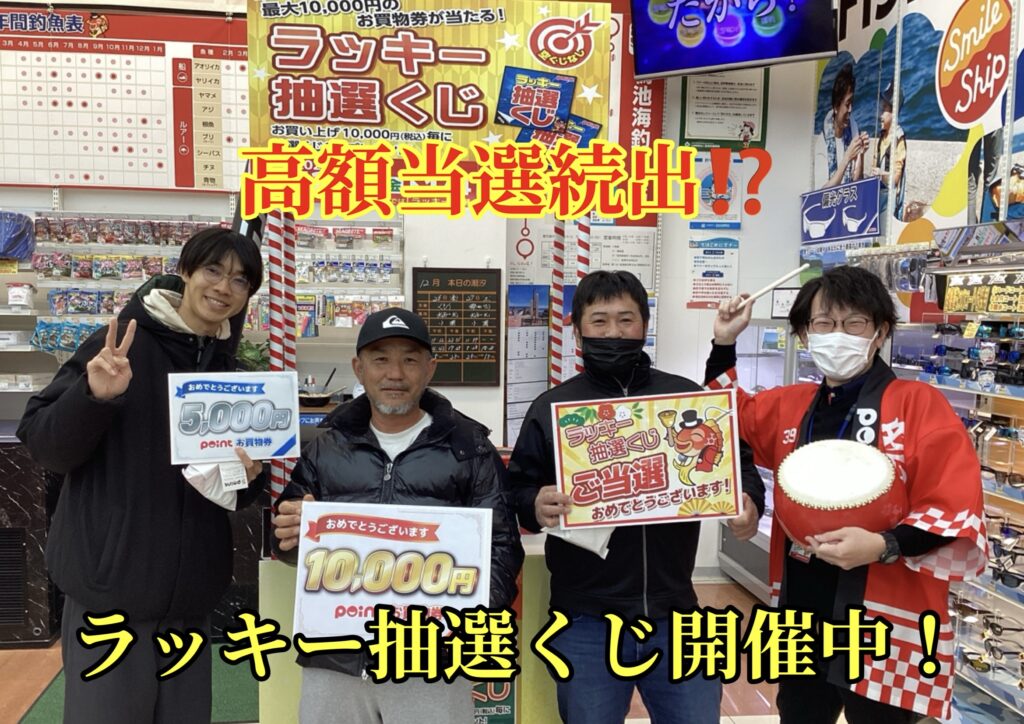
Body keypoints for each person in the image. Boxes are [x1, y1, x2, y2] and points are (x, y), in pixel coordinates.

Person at [708, 266, 987, 723]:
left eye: (854, 323)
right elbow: (721, 419)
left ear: (880, 332)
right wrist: (723, 342)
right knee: (799, 714)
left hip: (884, 615)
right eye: (824, 323)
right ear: (804, 334)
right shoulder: (791, 404)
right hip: (802, 605)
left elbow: (952, 507)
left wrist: (883, 545)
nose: (837, 335)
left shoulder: (918, 405)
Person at [18, 228, 267, 724]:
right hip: (110, 592)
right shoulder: (120, 344)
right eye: (213, 270)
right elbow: (44, 443)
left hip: (189, 600)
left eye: (241, 280)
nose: (224, 287)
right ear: (185, 272)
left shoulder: (231, 372)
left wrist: (248, 475)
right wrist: (94, 397)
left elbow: (237, 492)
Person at [507, 270, 765, 724]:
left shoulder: (684, 398)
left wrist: (750, 502)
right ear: (577, 331)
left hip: (677, 612)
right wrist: (534, 504)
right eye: (600, 321)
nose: (613, 332)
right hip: (585, 619)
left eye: (626, 320)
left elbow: (737, 464)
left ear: (645, 325)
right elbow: (518, 489)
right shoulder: (552, 408)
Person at [271, 307, 523, 724]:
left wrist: (461, 622)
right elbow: (288, 543)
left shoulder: (470, 448)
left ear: (430, 369)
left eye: (409, 359)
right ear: (359, 368)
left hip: (431, 660)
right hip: (336, 657)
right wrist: (289, 533)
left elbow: (502, 548)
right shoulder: (325, 447)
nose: (395, 373)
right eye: (380, 359)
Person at [819, 64, 868, 188]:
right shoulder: (822, 143)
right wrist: (847, 157)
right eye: (847, 104)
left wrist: (861, 154)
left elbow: (857, 182)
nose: (850, 109)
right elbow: (822, 193)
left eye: (852, 103)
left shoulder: (853, 128)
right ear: (836, 107)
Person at [871, 82, 908, 221]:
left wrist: (881, 174)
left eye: (883, 110)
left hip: (890, 202)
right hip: (879, 197)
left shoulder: (899, 139)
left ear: (893, 112)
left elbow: (896, 178)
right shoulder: (881, 137)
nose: (880, 114)